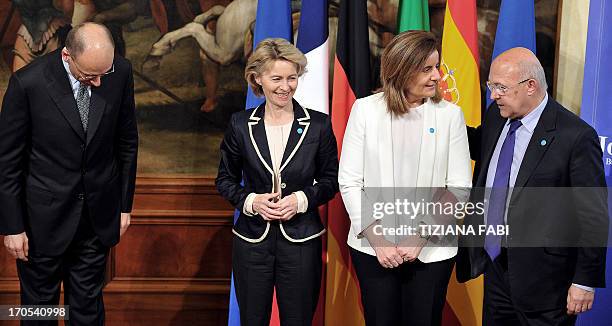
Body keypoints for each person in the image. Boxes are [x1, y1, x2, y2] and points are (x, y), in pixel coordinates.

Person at [456, 47, 608, 325]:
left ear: (530, 86)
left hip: (547, 284)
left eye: (501, 87)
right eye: (491, 86)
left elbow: (594, 216)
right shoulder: (496, 116)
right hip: (496, 270)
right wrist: (434, 117)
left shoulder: (574, 136)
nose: (493, 95)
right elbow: (480, 145)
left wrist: (585, 281)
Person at [0, 22, 138, 325]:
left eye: (104, 73)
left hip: (96, 219)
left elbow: (127, 142)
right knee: (39, 311)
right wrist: (12, 226)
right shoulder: (28, 84)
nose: (100, 82)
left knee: (87, 310)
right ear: (67, 56)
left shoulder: (120, 72)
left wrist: (125, 206)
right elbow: (8, 161)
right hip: (40, 224)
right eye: (89, 75)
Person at [338, 30, 472, 326]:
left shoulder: (450, 116)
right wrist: (378, 240)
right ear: (400, 69)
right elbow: (349, 181)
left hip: (433, 250)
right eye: (426, 69)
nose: (437, 76)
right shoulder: (365, 111)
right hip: (372, 249)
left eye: (436, 67)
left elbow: (459, 187)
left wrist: (419, 236)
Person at [215, 38, 339, 326]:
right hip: (252, 243)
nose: (286, 86)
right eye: (277, 79)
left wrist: (301, 200)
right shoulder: (240, 124)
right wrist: (251, 201)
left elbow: (331, 180)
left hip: (301, 241)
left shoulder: (318, 125)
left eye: (292, 77)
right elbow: (225, 179)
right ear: (257, 79)